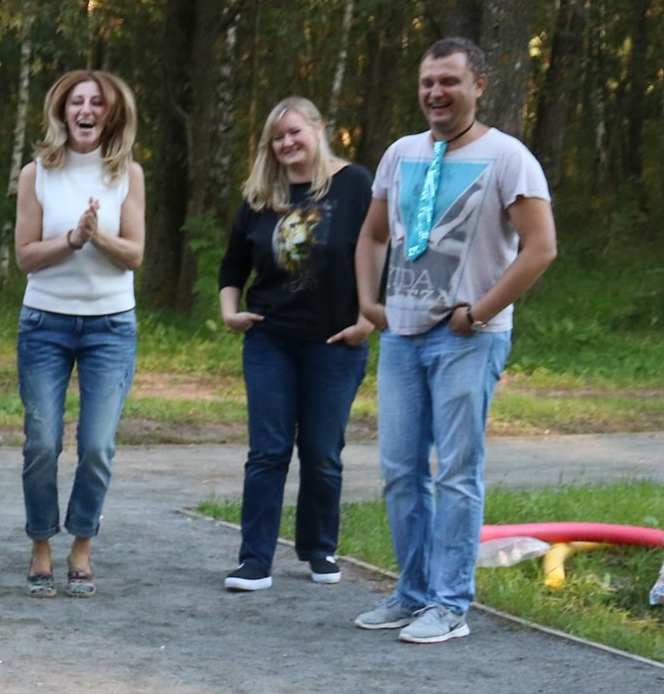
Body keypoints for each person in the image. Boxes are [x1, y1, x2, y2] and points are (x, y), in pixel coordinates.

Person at [352, 37, 556, 644]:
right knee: (399, 470)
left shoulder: (507, 157)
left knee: (457, 473)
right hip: (403, 338)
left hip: (469, 337)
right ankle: (411, 594)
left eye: (449, 81)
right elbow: (372, 235)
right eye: (427, 83)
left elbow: (541, 248)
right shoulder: (400, 154)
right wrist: (368, 301)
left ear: (478, 86)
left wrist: (482, 310)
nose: (436, 93)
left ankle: (449, 604)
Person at [217, 96, 374, 593]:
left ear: (318, 128)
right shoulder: (262, 193)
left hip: (335, 340)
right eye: (276, 138)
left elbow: (381, 251)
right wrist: (229, 311)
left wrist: (368, 320)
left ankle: (318, 547)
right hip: (270, 340)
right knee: (268, 450)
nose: (286, 144)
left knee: (323, 450)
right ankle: (254, 559)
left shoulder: (355, 185)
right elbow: (232, 266)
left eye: (293, 133)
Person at [13, 71, 145, 599]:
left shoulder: (127, 174)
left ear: (110, 114)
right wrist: (71, 239)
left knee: (96, 446)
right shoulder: (36, 174)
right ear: (62, 111)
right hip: (45, 324)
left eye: (96, 103)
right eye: (76, 102)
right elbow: (26, 257)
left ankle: (81, 547)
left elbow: (134, 255)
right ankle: (41, 545)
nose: (86, 111)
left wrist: (98, 236)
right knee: (43, 443)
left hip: (110, 328)